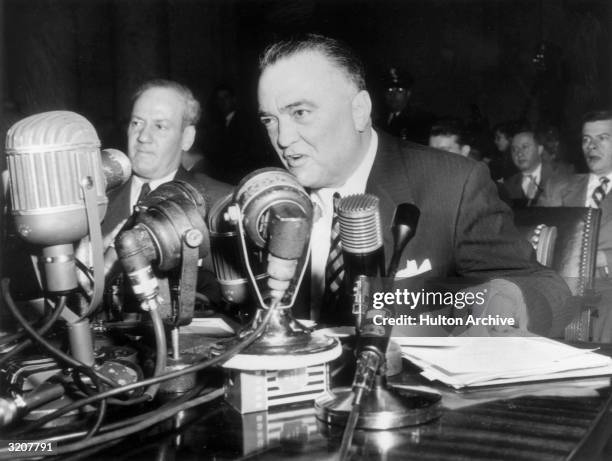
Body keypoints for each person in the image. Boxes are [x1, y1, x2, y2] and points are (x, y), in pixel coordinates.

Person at [257, 34, 571, 337]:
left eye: (300, 112)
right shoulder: (262, 203)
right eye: (269, 120)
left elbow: (550, 289)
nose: (283, 139)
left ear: (359, 111)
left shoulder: (453, 186)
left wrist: (510, 302)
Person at [100, 79, 232, 312]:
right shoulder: (96, 200)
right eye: (137, 122)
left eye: (159, 126)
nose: (142, 137)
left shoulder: (221, 203)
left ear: (187, 137)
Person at [540, 110, 612, 341]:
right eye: (586, 139)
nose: (591, 146)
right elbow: (538, 240)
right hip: (560, 290)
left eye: (602, 138)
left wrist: (604, 259)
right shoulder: (557, 187)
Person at [502, 125, 563, 208]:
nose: (519, 153)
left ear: (539, 149)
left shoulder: (560, 176)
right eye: (514, 149)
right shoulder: (507, 186)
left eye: (525, 147)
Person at [376, 67, 434, 145]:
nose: (393, 95)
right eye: (390, 90)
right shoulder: (379, 120)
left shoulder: (419, 121)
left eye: (399, 91)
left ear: (408, 93)